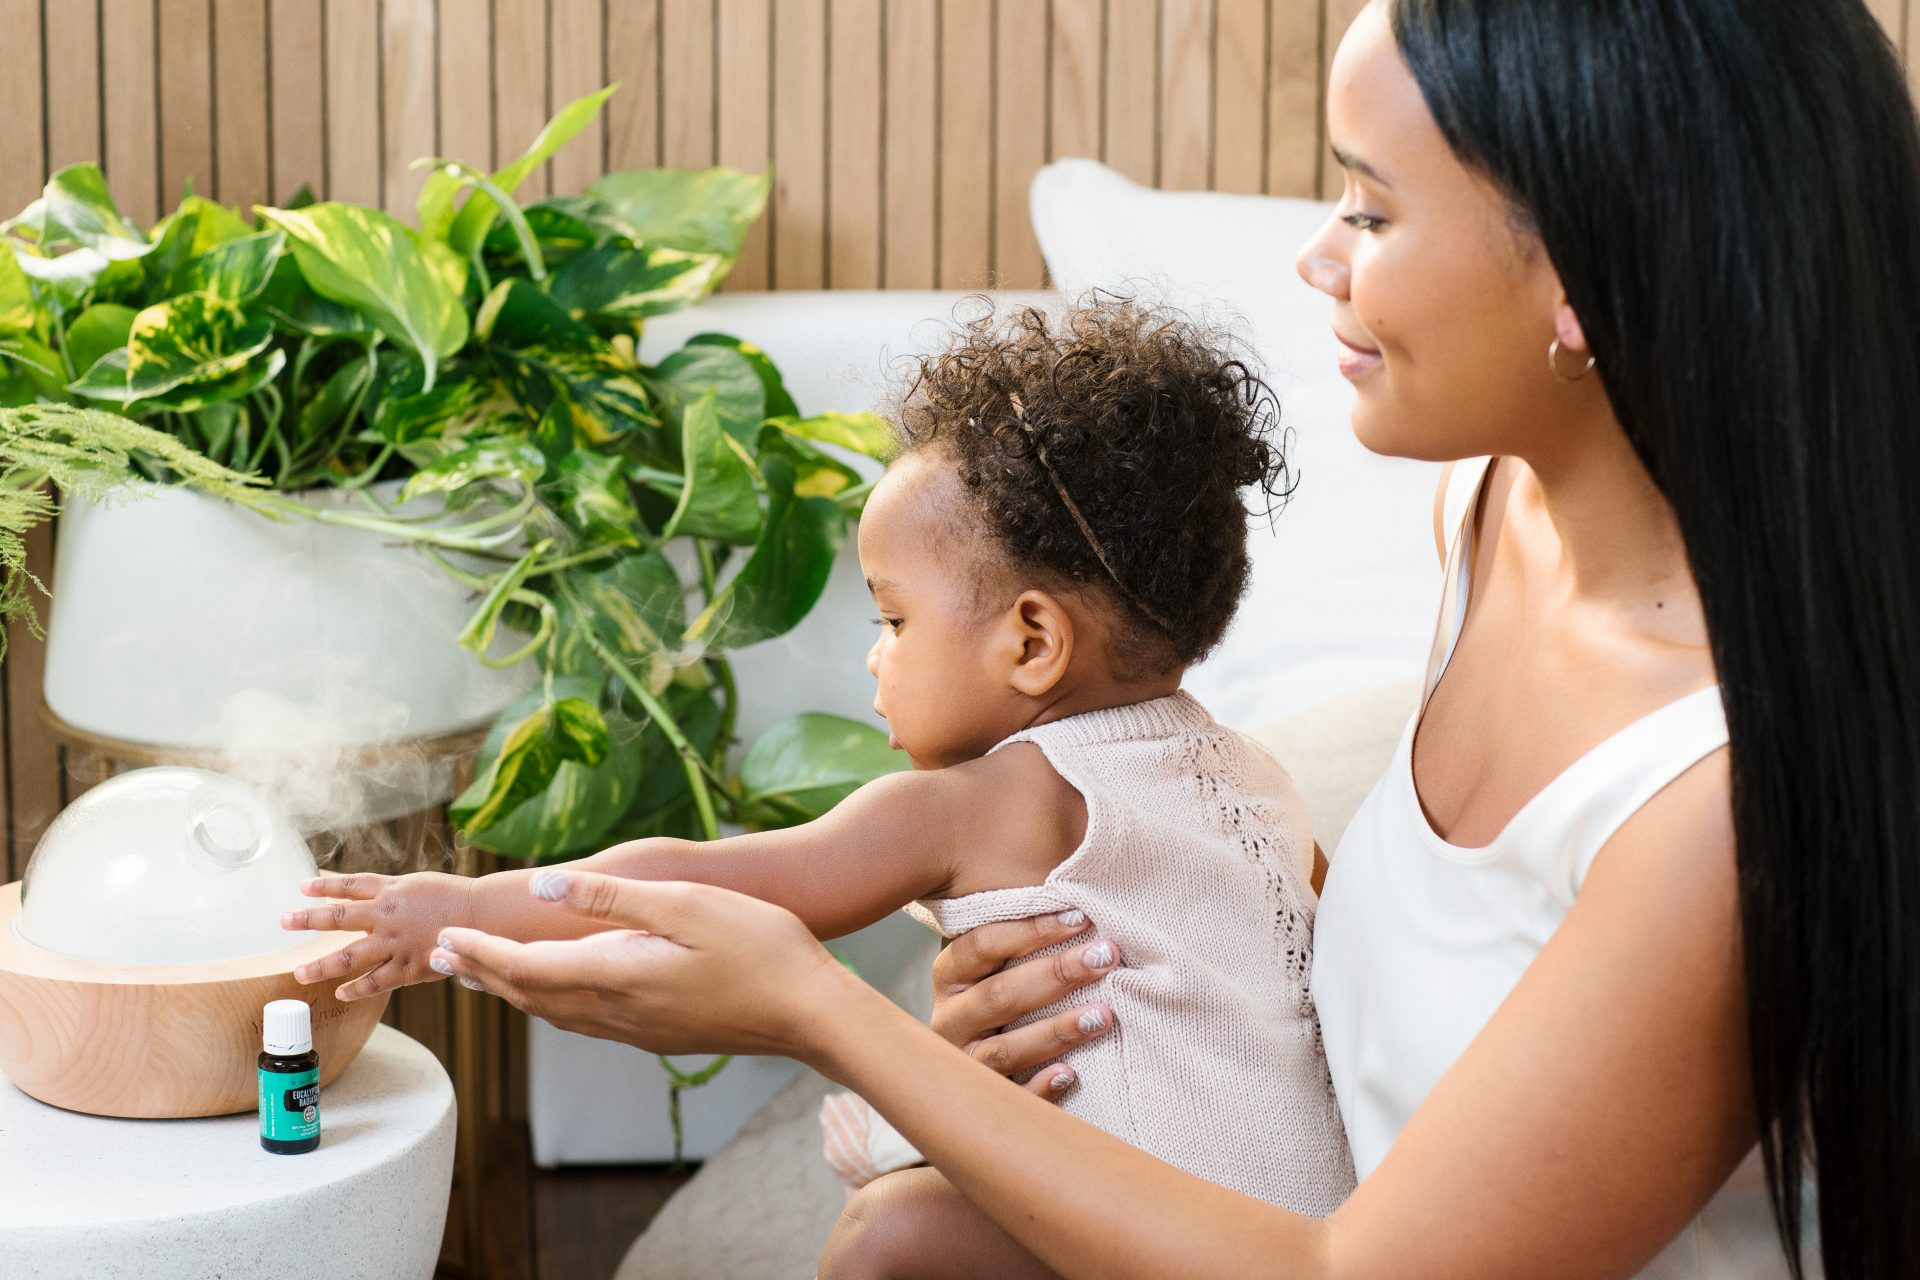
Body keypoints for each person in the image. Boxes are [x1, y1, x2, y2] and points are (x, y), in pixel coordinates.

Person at [418, 1, 1920, 1275]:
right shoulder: (1493, 511)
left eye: (1374, 209)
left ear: (1586, 283)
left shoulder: (1716, 809)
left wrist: (825, 1016)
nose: (1319, 260)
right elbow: (1447, 966)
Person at [283, 300, 1358, 1274]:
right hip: (1309, 1224)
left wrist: (465, 909)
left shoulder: (993, 800)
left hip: (1156, 1239)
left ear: (1031, 640)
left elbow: (712, 883)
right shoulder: (1262, 780)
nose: (877, 655)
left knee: (886, 1235)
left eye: (895, 618)